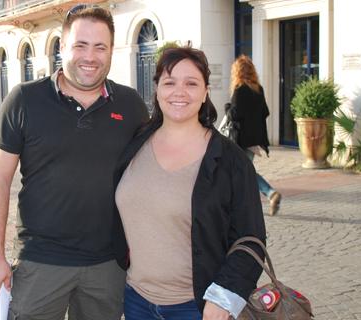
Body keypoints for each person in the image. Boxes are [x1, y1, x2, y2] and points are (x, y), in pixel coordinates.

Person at [0, 4, 148, 320]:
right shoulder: (24, 100)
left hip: (107, 265)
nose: (90, 56)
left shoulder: (131, 106)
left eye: (100, 47)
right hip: (40, 262)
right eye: (80, 45)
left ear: (112, 50)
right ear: (63, 47)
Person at [113, 46, 266, 320]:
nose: (179, 92)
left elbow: (251, 238)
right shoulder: (135, 143)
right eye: (169, 82)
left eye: (191, 83)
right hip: (135, 301)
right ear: (157, 88)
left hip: (198, 307)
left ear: (206, 91)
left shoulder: (230, 160)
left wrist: (224, 298)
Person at [226, 54, 282, 216]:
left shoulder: (240, 89)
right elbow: (265, 112)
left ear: (237, 72)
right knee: (241, 172)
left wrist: (227, 107)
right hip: (254, 140)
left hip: (241, 140)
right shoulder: (258, 89)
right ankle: (242, 203)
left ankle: (270, 193)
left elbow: (234, 115)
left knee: (242, 172)